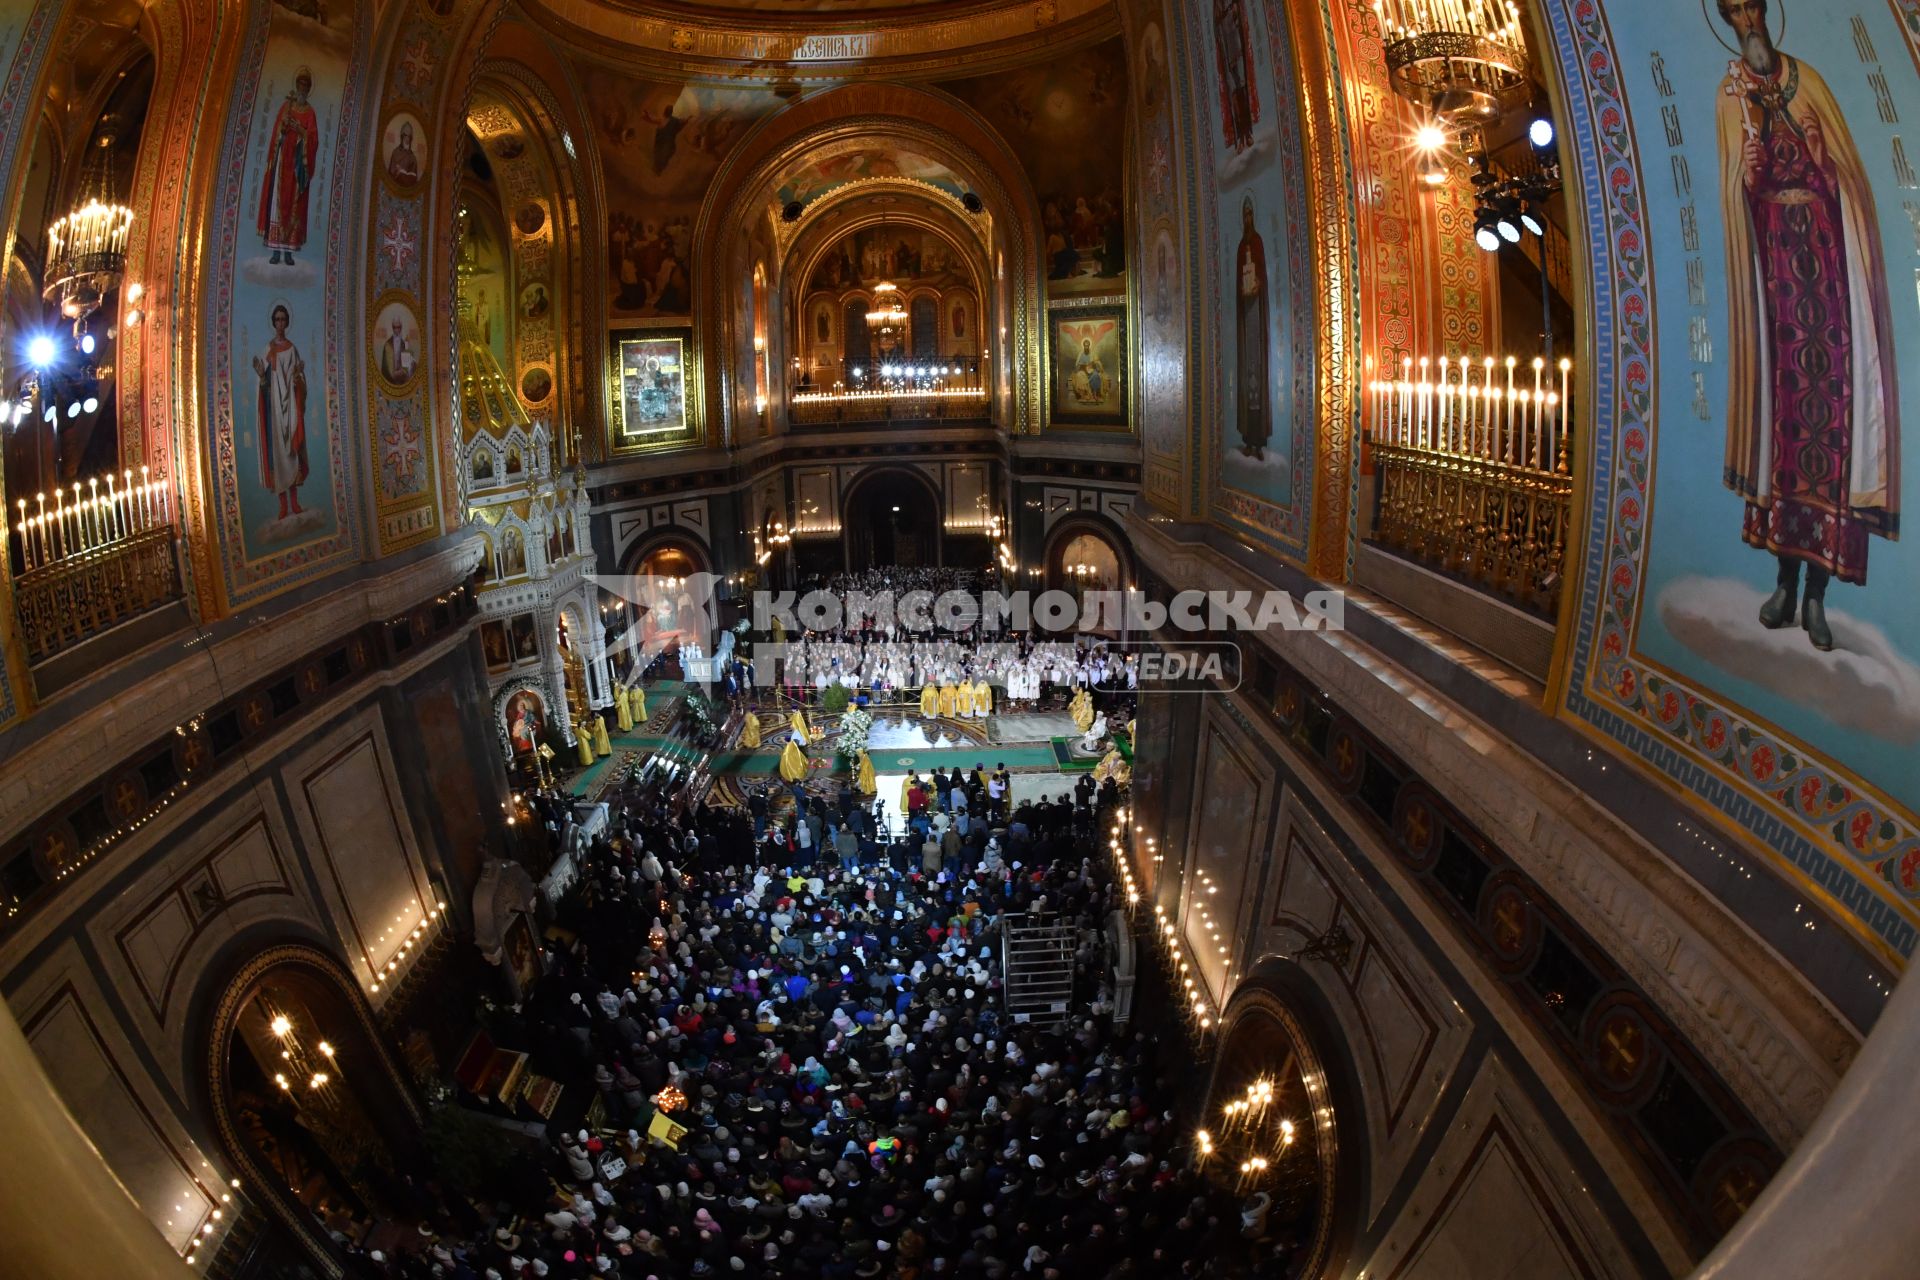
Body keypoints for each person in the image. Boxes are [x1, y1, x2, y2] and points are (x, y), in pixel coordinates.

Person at [1714, 0, 1898, 651]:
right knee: (1786, 433)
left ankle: (1817, 595)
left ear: (1765, 12)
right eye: (1733, 12)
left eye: (1750, 7)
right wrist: (1750, 155)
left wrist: (1819, 162)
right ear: (1729, 22)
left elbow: (1846, 174)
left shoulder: (1809, 81)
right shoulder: (1729, 96)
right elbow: (1738, 189)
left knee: (1834, 427)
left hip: (1828, 274)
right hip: (1779, 289)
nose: (1745, 20)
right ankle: (1785, 582)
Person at [252, 302, 309, 521]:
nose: (280, 323)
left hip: (290, 411)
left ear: (287, 322)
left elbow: (299, 381)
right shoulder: (268, 350)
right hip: (275, 411)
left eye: (283, 319)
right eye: (277, 319)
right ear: (273, 322)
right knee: (278, 455)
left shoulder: (292, 349)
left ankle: (295, 503)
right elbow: (265, 384)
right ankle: (283, 505)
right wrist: (262, 377)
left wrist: (297, 378)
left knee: (292, 454)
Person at [258, 67, 319, 264]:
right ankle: (275, 252)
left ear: (308, 89)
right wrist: (285, 128)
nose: (302, 89)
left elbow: (314, 139)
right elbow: (278, 132)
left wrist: (301, 130)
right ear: (296, 86)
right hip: (283, 163)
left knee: (294, 206)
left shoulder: (310, 113)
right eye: (300, 85)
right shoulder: (287, 106)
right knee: (278, 204)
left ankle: (289, 253)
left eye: (306, 86)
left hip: (298, 167)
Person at [1233, 194, 1270, 459]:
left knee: (1258, 375)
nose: (1247, 219)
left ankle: (1259, 443)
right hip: (1246, 315)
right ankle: (1248, 439)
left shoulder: (1257, 242)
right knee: (1247, 379)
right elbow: (1238, 280)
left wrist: (1256, 286)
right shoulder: (1239, 248)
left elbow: (1262, 275)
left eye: (1249, 215)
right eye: (1244, 215)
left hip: (1257, 311)